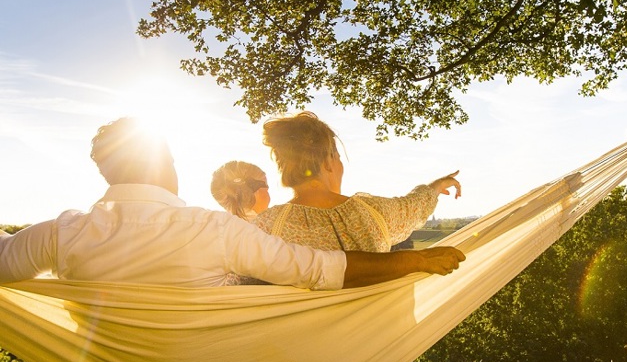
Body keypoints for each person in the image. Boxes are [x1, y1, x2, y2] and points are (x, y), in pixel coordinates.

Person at [0, 117, 464, 289]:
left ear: (106, 172)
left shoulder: (60, 234)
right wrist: (413, 259)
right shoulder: (215, 231)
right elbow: (316, 270)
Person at [254, 111, 462, 251]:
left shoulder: (264, 228)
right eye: (337, 158)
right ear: (327, 162)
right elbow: (412, 208)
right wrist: (437, 186)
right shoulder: (370, 213)